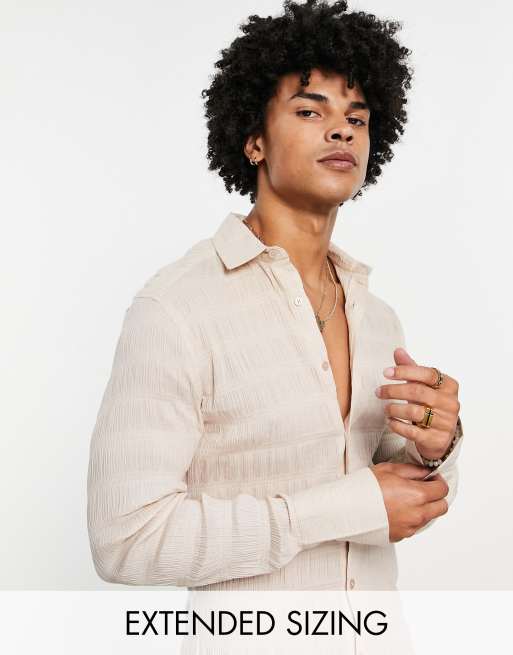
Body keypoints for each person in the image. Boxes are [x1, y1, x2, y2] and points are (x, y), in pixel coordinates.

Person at [87, 0, 464, 593]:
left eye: (357, 118)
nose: (342, 130)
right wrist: (334, 510)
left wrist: (434, 445)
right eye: (310, 110)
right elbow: (125, 540)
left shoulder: (378, 319)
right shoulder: (178, 310)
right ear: (254, 141)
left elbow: (395, 497)